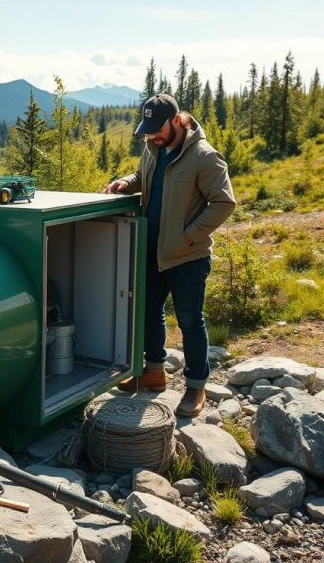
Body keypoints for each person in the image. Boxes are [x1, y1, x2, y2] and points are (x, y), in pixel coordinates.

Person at [103, 93, 235, 418]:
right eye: (147, 130)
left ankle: (195, 386)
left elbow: (224, 202)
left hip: (187, 256)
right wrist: (125, 182)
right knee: (149, 312)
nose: (151, 136)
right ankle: (154, 372)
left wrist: (189, 236)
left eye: (156, 129)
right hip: (152, 250)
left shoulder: (205, 156)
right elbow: (144, 180)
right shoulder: (152, 149)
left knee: (191, 322)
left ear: (177, 120)